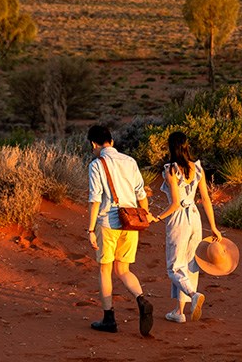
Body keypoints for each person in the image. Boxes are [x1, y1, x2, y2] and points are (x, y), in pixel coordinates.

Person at [85, 124, 154, 336]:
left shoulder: (96, 164)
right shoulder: (130, 161)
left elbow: (95, 200)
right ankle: (141, 299)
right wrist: (144, 216)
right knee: (123, 270)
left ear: (93, 144)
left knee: (105, 270)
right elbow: (141, 193)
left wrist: (90, 229)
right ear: (112, 142)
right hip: (131, 222)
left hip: (108, 223)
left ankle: (109, 319)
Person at [153, 131, 222, 323]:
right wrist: (214, 227)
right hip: (195, 217)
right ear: (186, 145)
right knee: (190, 264)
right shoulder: (197, 168)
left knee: (174, 267)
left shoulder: (171, 170)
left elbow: (175, 203)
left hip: (179, 219)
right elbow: (206, 200)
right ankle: (179, 311)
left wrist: (158, 217)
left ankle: (193, 295)